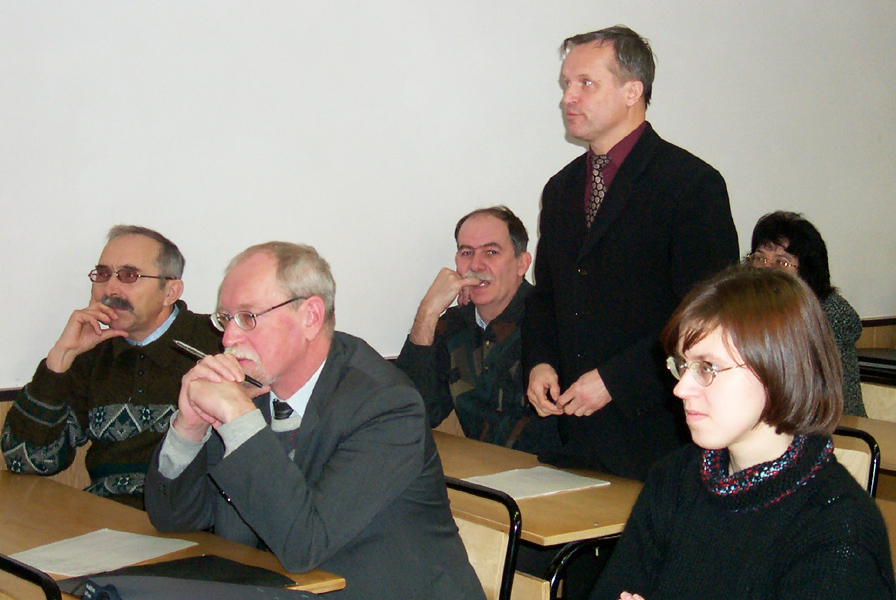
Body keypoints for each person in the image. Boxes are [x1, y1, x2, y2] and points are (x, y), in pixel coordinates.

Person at [144, 242, 484, 600]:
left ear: (310, 317)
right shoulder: (252, 385)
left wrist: (239, 419)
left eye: (248, 318)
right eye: (226, 319)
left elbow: (303, 544)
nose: (228, 338)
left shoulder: (385, 405)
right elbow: (174, 518)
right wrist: (190, 426)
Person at [589, 266, 896, 600]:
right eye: (683, 365)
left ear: (778, 370)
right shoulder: (674, 479)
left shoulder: (838, 529)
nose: (681, 388)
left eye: (707, 367)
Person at [523, 25, 739, 480]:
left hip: (658, 431)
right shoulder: (561, 189)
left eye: (585, 83)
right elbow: (547, 297)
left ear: (632, 92)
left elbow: (707, 315)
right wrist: (541, 362)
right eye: (566, 84)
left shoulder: (690, 185)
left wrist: (617, 381)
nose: (568, 98)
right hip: (575, 435)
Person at [1, 225, 221, 508]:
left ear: (170, 291)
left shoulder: (216, 343)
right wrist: (60, 359)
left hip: (191, 516)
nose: (110, 288)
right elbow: (27, 461)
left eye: (129, 276)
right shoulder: (92, 353)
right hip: (105, 514)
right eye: (103, 274)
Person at [395, 206, 558, 452]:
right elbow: (409, 417)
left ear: (522, 263)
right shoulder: (454, 326)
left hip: (552, 469)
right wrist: (429, 310)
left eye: (491, 252)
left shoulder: (550, 321)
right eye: (467, 252)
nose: (477, 265)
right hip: (480, 468)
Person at [748, 210, 866, 416]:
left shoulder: (830, 314)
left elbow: (813, 394)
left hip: (833, 426)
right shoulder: (747, 311)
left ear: (807, 272)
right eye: (760, 258)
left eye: (781, 262)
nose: (766, 269)